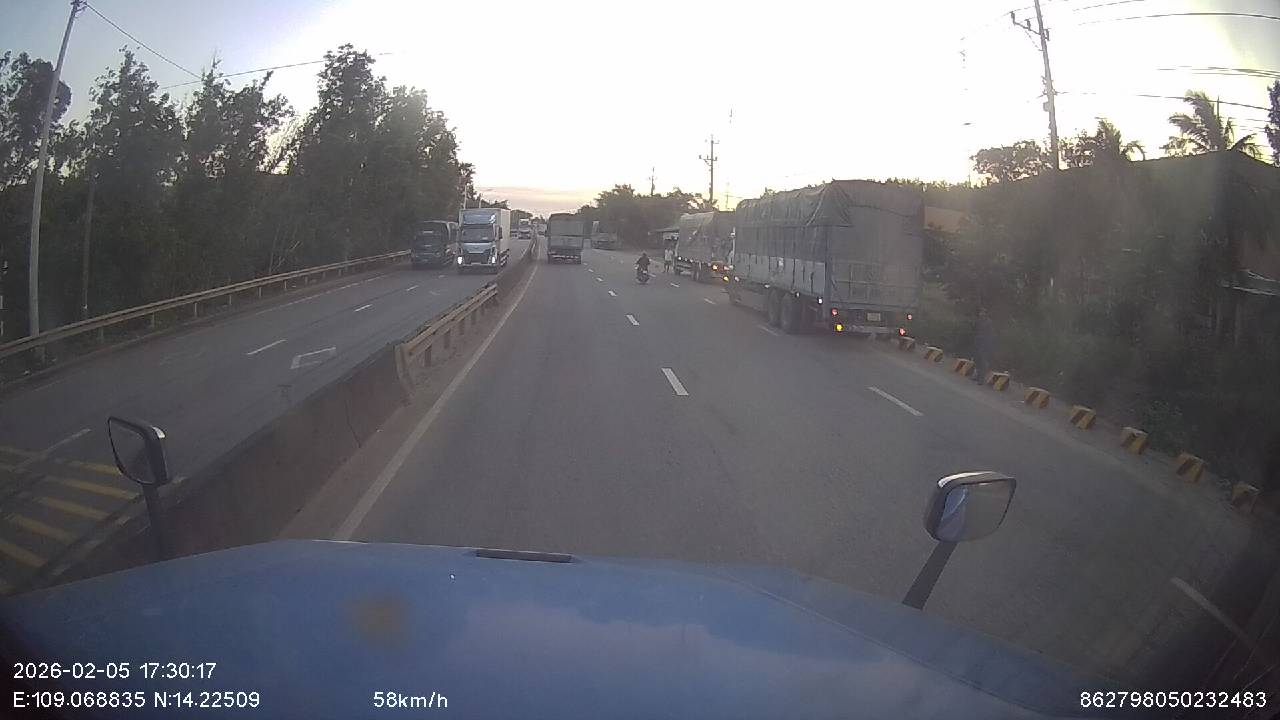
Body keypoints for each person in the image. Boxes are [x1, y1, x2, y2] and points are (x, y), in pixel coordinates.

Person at [972, 307, 994, 383]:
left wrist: (988, 344)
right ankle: (977, 375)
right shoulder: (978, 321)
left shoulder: (989, 322)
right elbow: (975, 330)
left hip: (985, 344)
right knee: (977, 359)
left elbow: (990, 334)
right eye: (980, 312)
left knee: (983, 361)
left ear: (985, 314)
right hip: (977, 342)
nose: (980, 313)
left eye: (982, 312)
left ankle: (982, 378)